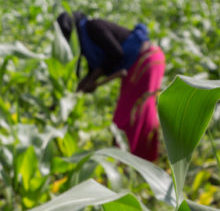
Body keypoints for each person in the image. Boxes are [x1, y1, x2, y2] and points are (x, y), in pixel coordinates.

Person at [56, 11, 166, 161]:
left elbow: (115, 53)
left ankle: (123, 160)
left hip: (144, 60)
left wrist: (93, 80)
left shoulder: (92, 27)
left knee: (127, 115)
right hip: (150, 60)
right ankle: (144, 158)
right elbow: (93, 70)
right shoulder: (84, 42)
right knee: (143, 112)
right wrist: (76, 91)